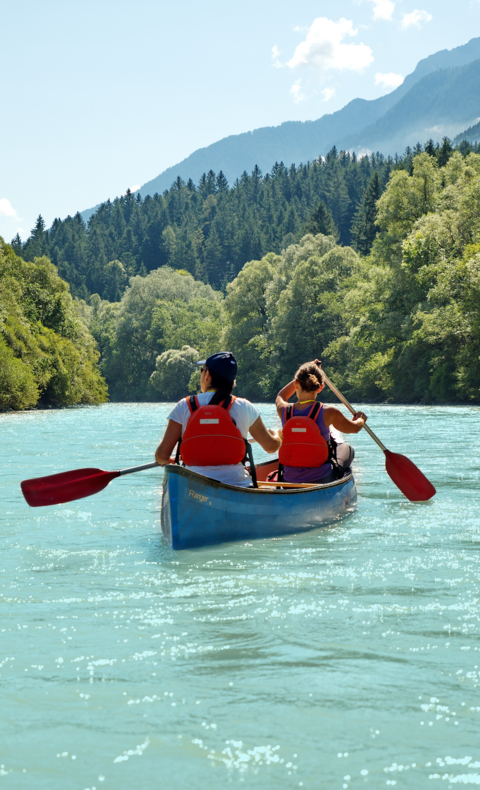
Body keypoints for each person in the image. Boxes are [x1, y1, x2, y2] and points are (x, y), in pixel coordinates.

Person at [155, 351, 281, 487]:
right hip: (237, 485)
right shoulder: (244, 406)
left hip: (192, 485)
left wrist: (170, 461)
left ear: (207, 375)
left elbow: (161, 456)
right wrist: (277, 435)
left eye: (202, 371)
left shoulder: (184, 406)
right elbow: (270, 447)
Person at [275, 360, 367, 484]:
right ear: (320, 387)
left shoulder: (284, 410)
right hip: (321, 479)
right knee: (347, 448)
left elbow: (281, 395)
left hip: (288, 480)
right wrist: (361, 419)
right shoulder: (329, 412)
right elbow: (354, 428)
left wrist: (307, 368)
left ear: (296, 383)